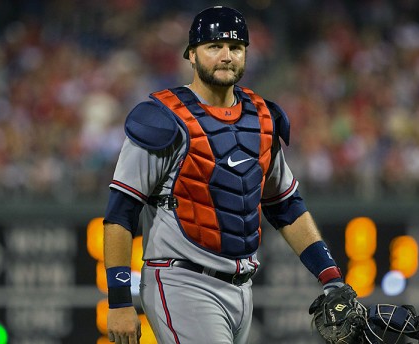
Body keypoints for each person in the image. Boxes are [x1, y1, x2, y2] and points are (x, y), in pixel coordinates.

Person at [103, 6, 354, 344]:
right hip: (182, 282)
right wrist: (119, 301)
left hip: (241, 288)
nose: (226, 56)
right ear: (191, 54)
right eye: (214, 46)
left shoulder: (263, 118)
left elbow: (286, 206)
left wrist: (331, 278)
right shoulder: (161, 118)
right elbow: (120, 213)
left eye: (235, 48)